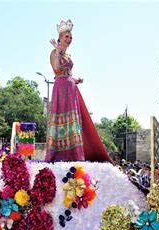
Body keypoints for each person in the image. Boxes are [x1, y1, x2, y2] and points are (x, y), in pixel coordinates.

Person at [45, 19, 111, 162]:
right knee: (61, 116)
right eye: (66, 37)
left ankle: (74, 153)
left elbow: (66, 72)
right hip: (61, 88)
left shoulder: (69, 55)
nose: (68, 40)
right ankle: (58, 154)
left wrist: (75, 80)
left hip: (70, 86)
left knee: (73, 119)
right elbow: (56, 69)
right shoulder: (54, 52)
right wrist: (58, 51)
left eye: (70, 37)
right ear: (60, 38)